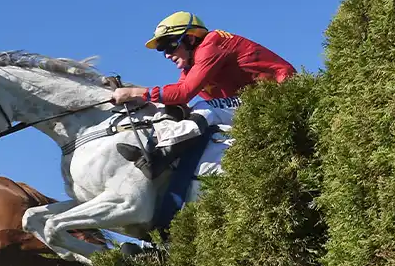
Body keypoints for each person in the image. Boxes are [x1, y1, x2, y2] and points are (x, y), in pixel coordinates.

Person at [110, 12, 295, 178]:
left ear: (190, 39)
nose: (167, 55)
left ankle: (161, 158)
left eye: (169, 46)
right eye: (162, 50)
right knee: (184, 110)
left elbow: (183, 93)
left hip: (279, 97)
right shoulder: (193, 63)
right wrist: (139, 96)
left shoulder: (211, 44)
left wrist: (133, 92)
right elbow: (176, 95)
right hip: (253, 104)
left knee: (204, 108)